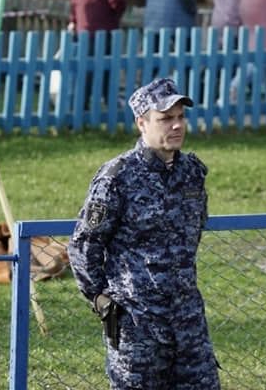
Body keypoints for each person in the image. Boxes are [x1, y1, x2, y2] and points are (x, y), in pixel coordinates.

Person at [68, 77, 221, 389]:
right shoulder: (117, 177)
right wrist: (101, 300)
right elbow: (85, 245)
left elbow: (193, 234)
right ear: (142, 123)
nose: (177, 126)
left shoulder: (192, 173)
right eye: (165, 119)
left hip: (187, 318)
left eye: (180, 117)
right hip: (137, 322)